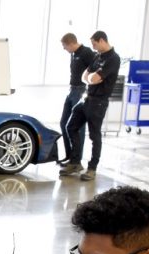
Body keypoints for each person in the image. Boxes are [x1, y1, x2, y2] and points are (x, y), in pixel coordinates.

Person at [59, 30, 120, 181]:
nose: (93, 47)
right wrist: (90, 78)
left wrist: (91, 77)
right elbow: (86, 76)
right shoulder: (98, 56)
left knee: (94, 135)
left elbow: (95, 77)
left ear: (102, 40)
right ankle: (75, 162)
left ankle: (92, 168)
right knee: (70, 126)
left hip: (99, 102)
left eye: (94, 44)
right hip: (87, 98)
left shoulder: (113, 58)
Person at [58, 33, 95, 165]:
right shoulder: (73, 54)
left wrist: (89, 91)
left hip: (81, 90)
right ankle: (69, 155)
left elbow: (96, 71)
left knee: (77, 126)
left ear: (71, 43)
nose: (64, 49)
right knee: (64, 123)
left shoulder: (87, 53)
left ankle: (76, 160)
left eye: (64, 46)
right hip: (72, 90)